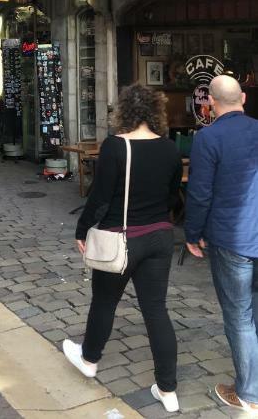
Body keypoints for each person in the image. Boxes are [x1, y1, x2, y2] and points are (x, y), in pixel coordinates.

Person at [63, 84, 183, 414]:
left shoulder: (116, 146)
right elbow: (173, 196)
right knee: (156, 310)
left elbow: (99, 197)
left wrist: (82, 229)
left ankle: (89, 360)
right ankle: (168, 390)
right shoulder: (170, 149)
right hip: (160, 236)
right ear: (155, 112)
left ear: (125, 111)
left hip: (122, 236)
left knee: (104, 301)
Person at [185, 74, 258, 412]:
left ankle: (249, 394)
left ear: (210, 103)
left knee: (240, 317)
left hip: (233, 238)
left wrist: (192, 233)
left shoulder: (208, 137)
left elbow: (200, 193)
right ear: (242, 97)